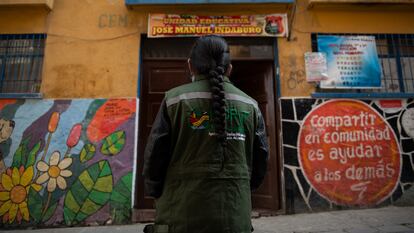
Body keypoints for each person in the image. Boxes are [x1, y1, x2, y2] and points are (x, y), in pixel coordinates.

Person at [143, 35, 269, 233]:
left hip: (180, 215)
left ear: (190, 66)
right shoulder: (250, 105)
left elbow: (155, 157)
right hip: (235, 216)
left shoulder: (174, 100)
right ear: (229, 68)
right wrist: (239, 189)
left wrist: (156, 191)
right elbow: (261, 160)